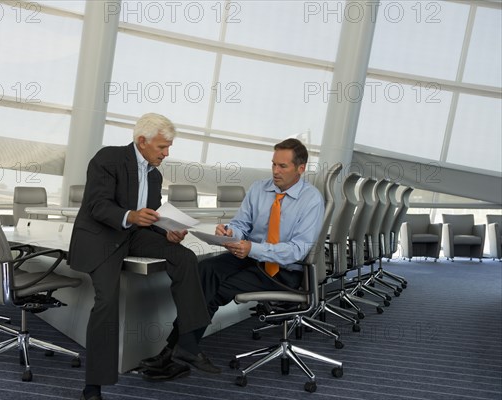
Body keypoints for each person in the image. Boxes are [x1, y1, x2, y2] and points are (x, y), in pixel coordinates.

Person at [140, 138, 325, 374]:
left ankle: (172, 353)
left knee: (216, 289)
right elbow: (242, 223)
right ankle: (183, 349)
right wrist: (230, 232)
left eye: (282, 166)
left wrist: (253, 249)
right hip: (249, 256)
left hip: (282, 270)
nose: (275, 171)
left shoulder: (312, 200)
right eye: (273, 164)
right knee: (204, 269)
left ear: (300, 169)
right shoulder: (260, 188)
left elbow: (297, 250)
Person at [68, 113, 217, 400]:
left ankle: (187, 342)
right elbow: (97, 205)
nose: (166, 153)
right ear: (142, 141)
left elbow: (151, 216)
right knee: (107, 301)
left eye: (168, 147)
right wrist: (130, 215)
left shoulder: (154, 174)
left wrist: (167, 232)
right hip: (102, 237)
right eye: (162, 147)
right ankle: (93, 386)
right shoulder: (108, 159)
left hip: (134, 235)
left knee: (183, 257)